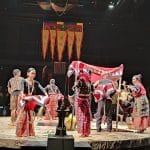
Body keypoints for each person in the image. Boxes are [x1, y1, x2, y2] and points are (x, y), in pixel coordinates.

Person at [16, 68, 48, 137]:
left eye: (34, 73)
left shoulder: (35, 82)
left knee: (31, 116)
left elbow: (42, 88)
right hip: (23, 99)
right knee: (23, 116)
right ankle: (21, 132)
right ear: (28, 73)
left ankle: (29, 132)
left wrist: (46, 95)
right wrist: (22, 96)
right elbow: (21, 90)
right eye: (32, 73)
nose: (33, 75)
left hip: (30, 99)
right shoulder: (23, 81)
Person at [74, 69, 92, 137]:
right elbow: (76, 87)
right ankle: (84, 132)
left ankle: (85, 132)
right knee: (85, 116)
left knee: (85, 116)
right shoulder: (85, 81)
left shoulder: (87, 81)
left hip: (83, 100)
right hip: (82, 100)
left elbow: (76, 87)